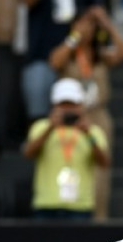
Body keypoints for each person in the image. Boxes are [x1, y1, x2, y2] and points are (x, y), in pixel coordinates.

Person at [49, 5, 123, 221]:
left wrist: (107, 25)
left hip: (98, 117)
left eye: (90, 25)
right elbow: (55, 61)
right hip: (71, 119)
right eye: (81, 24)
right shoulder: (69, 55)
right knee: (71, 167)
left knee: (100, 176)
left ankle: (99, 221)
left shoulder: (100, 55)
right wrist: (75, 37)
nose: (86, 29)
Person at [25, 77, 110, 220]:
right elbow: (28, 153)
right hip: (46, 204)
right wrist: (50, 127)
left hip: (80, 206)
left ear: (81, 105)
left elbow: (104, 162)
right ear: (54, 105)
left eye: (72, 105)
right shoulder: (41, 127)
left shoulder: (93, 131)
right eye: (63, 105)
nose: (68, 110)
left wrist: (88, 134)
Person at [20, 0, 102, 121]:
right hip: (42, 55)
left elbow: (96, 12)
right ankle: (39, 132)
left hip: (76, 56)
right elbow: (27, 0)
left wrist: (83, 33)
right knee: (37, 84)